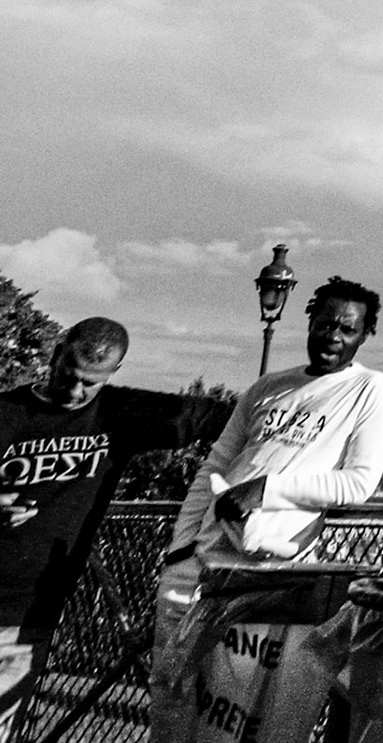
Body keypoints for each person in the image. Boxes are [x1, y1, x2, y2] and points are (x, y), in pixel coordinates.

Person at [150, 277, 383, 743]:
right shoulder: (268, 386)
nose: (333, 336)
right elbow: (216, 465)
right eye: (325, 324)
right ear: (310, 322)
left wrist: (266, 490)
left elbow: (358, 483)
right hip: (199, 562)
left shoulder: (372, 390)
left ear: (365, 335)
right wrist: (179, 547)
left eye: (347, 329)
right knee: (170, 693)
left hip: (265, 573)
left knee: (231, 708)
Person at [0, 318, 230, 743]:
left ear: (114, 373)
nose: (75, 392)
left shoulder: (118, 413)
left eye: (90, 383)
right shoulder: (7, 413)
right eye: (68, 376)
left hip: (28, 608)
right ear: (56, 354)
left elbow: (224, 417)